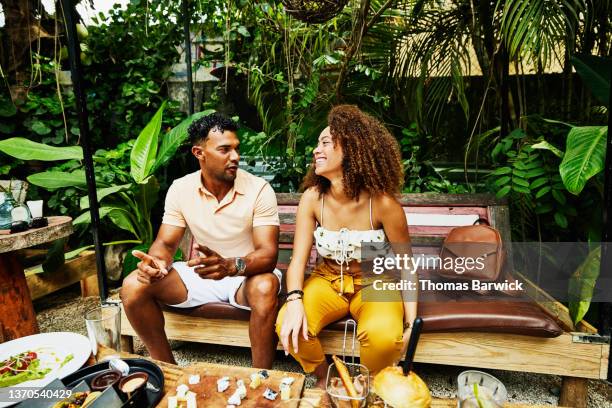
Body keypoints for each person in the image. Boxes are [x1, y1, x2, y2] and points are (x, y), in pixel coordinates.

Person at [121, 113, 281, 367]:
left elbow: (267, 255)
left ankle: (260, 378)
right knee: (132, 287)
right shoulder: (180, 188)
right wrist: (156, 264)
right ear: (199, 152)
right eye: (225, 150)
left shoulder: (259, 189)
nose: (236, 157)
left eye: (236, 149)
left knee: (265, 286)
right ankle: (168, 370)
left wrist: (230, 265)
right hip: (202, 273)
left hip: (247, 275)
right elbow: (165, 243)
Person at [276, 105, 417, 387]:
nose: (316, 150)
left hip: (375, 279)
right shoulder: (313, 198)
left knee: (384, 336)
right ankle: (326, 379)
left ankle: (371, 384)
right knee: (287, 324)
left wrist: (412, 323)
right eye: (317, 143)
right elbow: (297, 262)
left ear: (352, 150)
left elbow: (406, 266)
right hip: (327, 279)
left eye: (325, 143)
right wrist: (294, 300)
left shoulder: (383, 203)